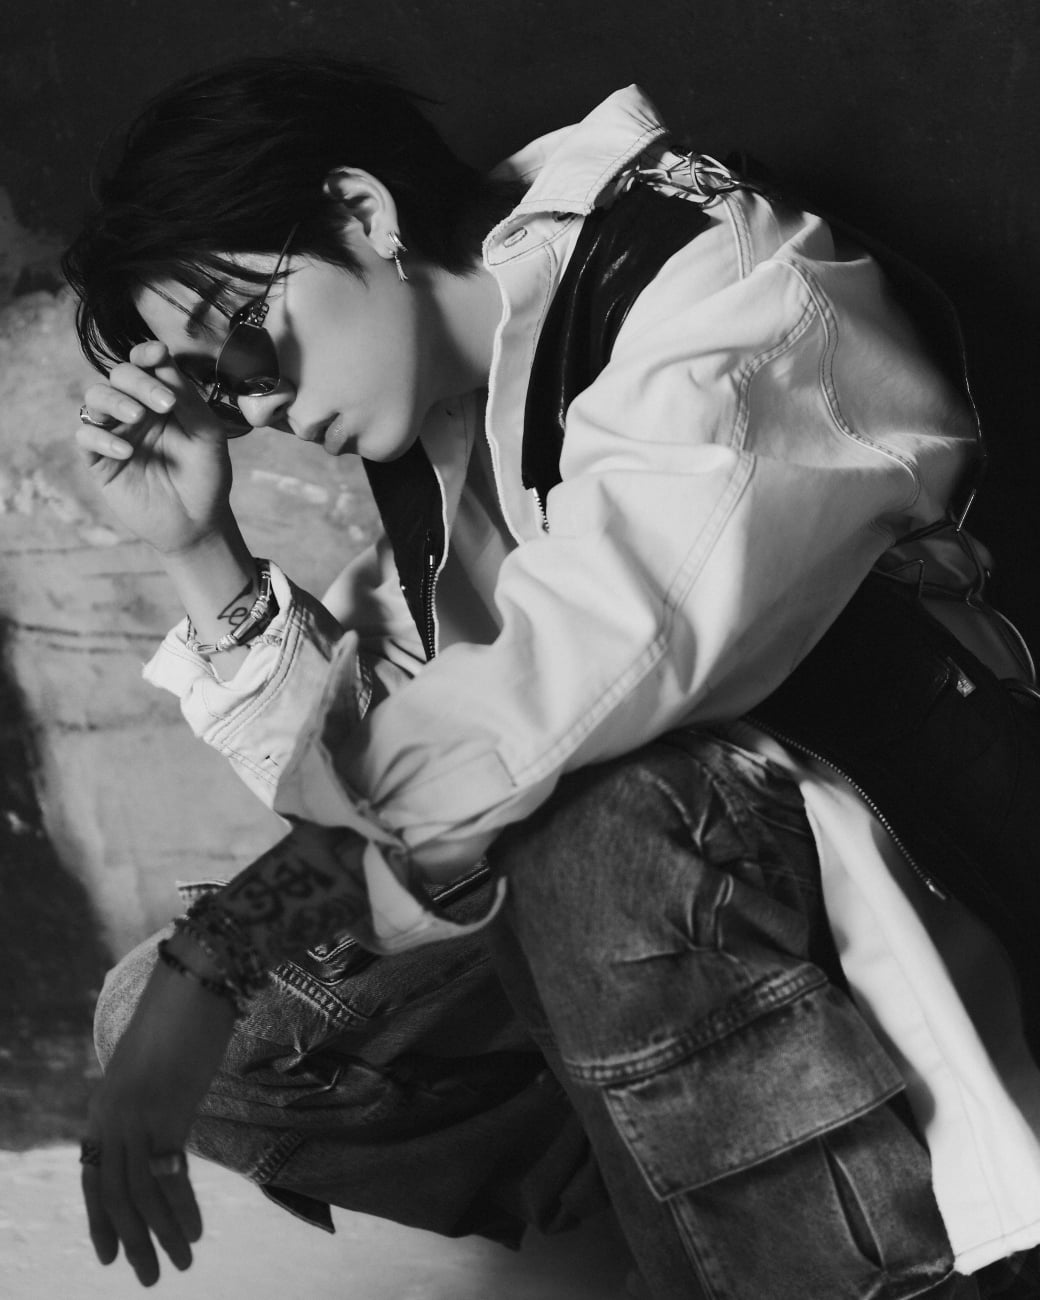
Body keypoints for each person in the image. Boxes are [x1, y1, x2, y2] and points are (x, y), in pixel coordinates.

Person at [63, 52, 1040, 1299]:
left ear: (361, 212)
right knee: (200, 1020)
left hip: (936, 876)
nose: (254, 408)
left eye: (246, 340)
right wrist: (202, 549)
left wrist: (232, 938)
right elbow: (391, 788)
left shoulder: (728, 294)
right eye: (218, 388)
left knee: (587, 829)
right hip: (695, 958)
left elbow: (556, 689)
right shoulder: (445, 412)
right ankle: (715, 1218)